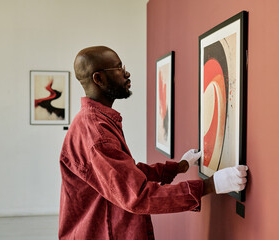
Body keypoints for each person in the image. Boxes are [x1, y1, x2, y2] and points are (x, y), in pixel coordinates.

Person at [58, 46, 248, 240]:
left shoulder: (96, 122)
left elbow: (126, 173)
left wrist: (179, 167)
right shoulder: (96, 134)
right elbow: (137, 195)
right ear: (98, 79)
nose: (126, 73)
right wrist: (209, 185)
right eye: (118, 68)